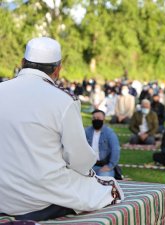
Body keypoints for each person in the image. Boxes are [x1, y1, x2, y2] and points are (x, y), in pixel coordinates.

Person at [0, 37, 123, 221]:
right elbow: (80, 160)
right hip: (37, 197)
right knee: (110, 189)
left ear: (22, 63)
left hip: (3, 195)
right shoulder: (63, 100)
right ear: (58, 69)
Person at [85, 110, 120, 177]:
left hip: (104, 166)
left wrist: (110, 166)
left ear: (104, 119)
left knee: (103, 180)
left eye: (98, 118)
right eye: (94, 118)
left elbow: (115, 150)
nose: (96, 120)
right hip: (89, 166)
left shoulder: (110, 133)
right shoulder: (86, 131)